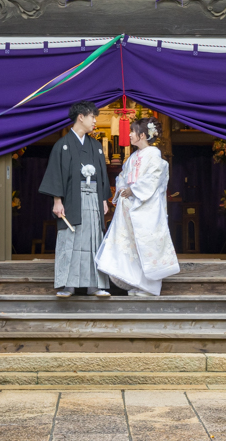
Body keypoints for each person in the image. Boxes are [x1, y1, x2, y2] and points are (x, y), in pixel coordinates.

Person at [96, 117, 180, 296]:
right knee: (133, 246)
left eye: (132, 132)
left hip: (146, 208)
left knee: (146, 245)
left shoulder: (154, 155)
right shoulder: (133, 156)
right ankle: (136, 283)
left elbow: (152, 180)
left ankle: (149, 287)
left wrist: (132, 190)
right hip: (130, 207)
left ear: (142, 135)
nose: (129, 135)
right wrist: (122, 190)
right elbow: (122, 177)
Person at [37, 100, 112, 297]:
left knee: (93, 239)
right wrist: (57, 200)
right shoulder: (62, 145)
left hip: (93, 198)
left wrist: (103, 199)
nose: (95, 121)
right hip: (72, 199)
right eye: (92, 117)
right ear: (81, 117)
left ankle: (94, 285)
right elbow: (56, 173)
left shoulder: (95, 145)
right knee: (70, 239)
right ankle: (68, 285)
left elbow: (102, 174)